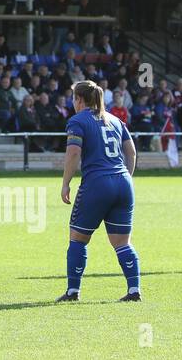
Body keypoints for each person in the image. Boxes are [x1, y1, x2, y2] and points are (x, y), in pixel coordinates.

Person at [57, 80, 141, 302]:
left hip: (97, 184)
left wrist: (66, 183)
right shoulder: (116, 120)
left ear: (80, 99)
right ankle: (134, 290)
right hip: (123, 182)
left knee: (77, 238)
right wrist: (126, 177)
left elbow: (73, 153)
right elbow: (131, 153)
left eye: (73, 98)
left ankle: (73, 291)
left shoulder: (77, 121)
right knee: (123, 243)